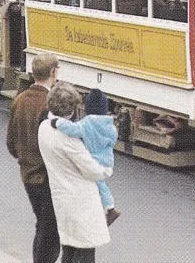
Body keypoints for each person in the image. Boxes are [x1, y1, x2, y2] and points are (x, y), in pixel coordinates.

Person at [38, 82, 112, 263]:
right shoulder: (69, 140)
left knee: (69, 251)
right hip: (81, 201)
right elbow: (94, 171)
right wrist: (107, 169)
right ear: (72, 109)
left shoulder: (44, 127)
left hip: (62, 196)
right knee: (85, 252)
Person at [6, 53, 61, 263]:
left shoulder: (19, 99)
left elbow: (10, 141)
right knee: (49, 231)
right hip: (45, 176)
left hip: (27, 174)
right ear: (53, 72)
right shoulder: (48, 103)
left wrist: (23, 158)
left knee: (42, 225)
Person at [55, 88, 120, 226]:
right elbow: (112, 141)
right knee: (101, 184)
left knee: (94, 184)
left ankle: (109, 208)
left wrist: (57, 123)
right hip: (107, 162)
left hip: (92, 161)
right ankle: (110, 207)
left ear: (88, 107)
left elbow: (73, 129)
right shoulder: (111, 127)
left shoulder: (86, 124)